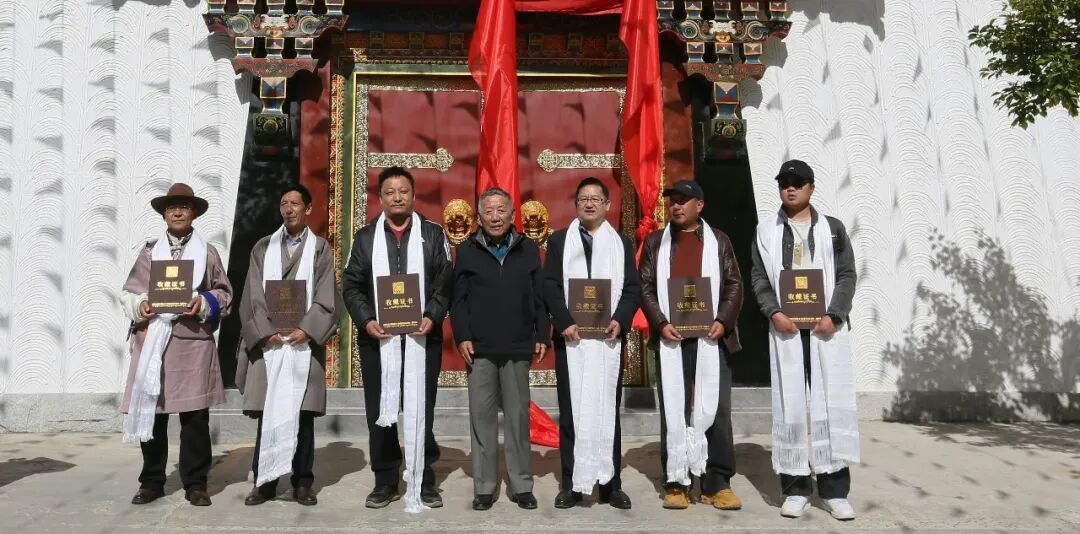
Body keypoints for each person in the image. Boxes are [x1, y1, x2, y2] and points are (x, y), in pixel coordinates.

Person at [750, 159, 859, 521]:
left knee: (831, 403)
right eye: (785, 183)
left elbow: (846, 275)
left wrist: (834, 314)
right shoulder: (765, 231)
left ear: (812, 187)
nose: (791, 188)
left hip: (826, 329)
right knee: (791, 403)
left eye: (798, 182)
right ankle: (795, 487)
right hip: (788, 329)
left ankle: (834, 489)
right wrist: (773, 312)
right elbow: (759, 278)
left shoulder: (833, 229)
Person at [342, 167, 453, 511]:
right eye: (390, 192)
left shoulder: (433, 234)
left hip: (422, 338)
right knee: (381, 409)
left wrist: (432, 315)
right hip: (379, 339)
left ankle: (424, 478)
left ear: (413, 195)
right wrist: (367, 320)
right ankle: (385, 479)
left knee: (422, 408)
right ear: (380, 198)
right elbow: (351, 285)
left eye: (403, 191)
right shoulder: (365, 238)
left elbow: (445, 281)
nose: (397, 198)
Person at [119, 182, 232, 507]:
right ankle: (152, 481)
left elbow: (225, 294)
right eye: (172, 207)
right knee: (153, 414)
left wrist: (203, 302)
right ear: (164, 214)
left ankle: (196, 483)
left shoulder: (208, 252)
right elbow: (129, 292)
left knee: (195, 417)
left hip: (192, 343)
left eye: (184, 207)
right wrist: (141, 305)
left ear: (193, 212)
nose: (178, 212)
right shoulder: (149, 252)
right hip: (154, 340)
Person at [639, 179, 743, 511]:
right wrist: (660, 322)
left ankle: (717, 482)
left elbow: (734, 283)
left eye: (684, 200)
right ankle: (677, 482)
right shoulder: (656, 242)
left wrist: (723, 320)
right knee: (675, 408)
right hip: (672, 338)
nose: (676, 206)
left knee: (717, 408)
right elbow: (645, 286)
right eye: (672, 200)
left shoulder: (719, 241)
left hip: (712, 338)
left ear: (700, 205)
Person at [235, 184, 338, 507]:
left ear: (308, 208)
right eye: (283, 203)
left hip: (302, 344)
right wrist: (264, 331)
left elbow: (326, 295)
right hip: (269, 344)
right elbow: (252, 294)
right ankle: (264, 482)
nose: (289, 209)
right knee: (269, 411)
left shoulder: (320, 249)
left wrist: (307, 329)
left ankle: (302, 482)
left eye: (295, 203)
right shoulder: (263, 247)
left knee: (302, 415)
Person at [542, 177, 639, 509]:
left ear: (607, 205)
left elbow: (632, 288)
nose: (589, 203)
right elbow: (550, 285)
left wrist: (620, 319)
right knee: (572, 412)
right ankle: (572, 484)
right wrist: (564, 321)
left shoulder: (621, 243)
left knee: (606, 409)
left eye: (596, 198)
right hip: (572, 339)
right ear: (576, 204)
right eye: (583, 198)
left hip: (607, 339)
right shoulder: (559, 241)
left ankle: (610, 485)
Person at [451, 187, 549, 511]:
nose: (495, 217)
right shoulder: (466, 250)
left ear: (512, 215)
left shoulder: (528, 249)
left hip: (518, 346)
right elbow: (458, 300)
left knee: (518, 418)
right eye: (489, 211)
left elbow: (539, 296)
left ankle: (521, 485)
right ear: (479, 218)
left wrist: (542, 334)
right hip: (479, 350)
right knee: (482, 419)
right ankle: (485, 487)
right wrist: (462, 335)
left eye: (501, 210)